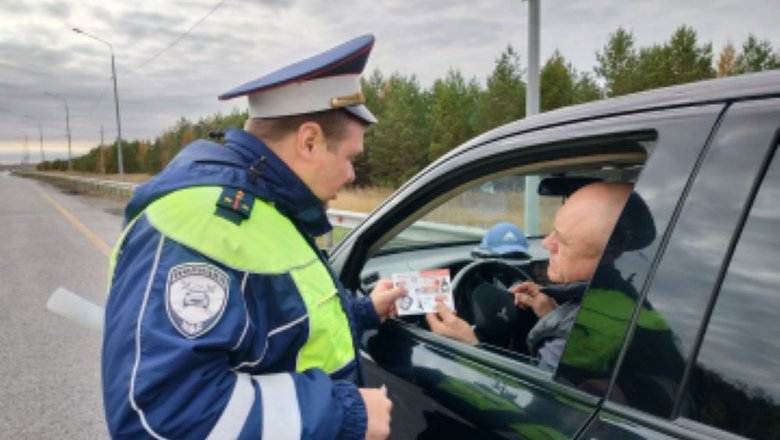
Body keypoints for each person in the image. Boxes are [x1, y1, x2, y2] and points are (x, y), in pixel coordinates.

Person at [102, 34, 406, 440]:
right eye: (350, 158)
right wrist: (344, 412)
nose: (352, 174)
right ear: (310, 141)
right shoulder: (201, 224)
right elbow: (160, 414)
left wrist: (365, 311)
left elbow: (277, 321)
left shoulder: (267, 207)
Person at [426, 182, 633, 368]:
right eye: (552, 231)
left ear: (613, 251)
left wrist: (470, 347)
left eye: (562, 239)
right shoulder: (626, 298)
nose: (546, 243)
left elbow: (530, 407)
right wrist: (554, 316)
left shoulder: (574, 344)